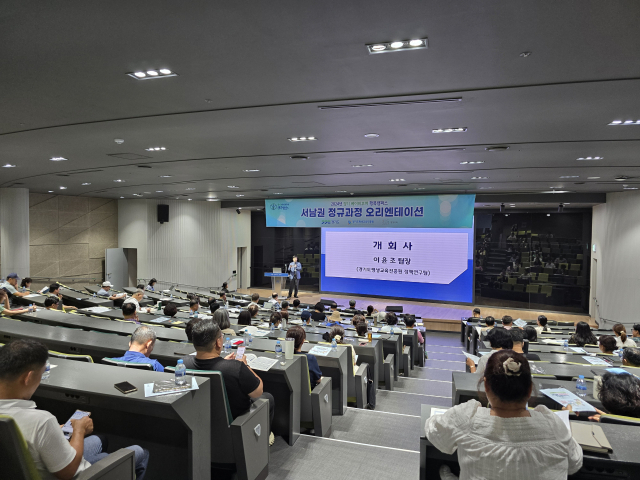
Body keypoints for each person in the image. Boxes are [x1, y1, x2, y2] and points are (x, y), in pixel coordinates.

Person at [0, 339, 150, 480]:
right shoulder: (41, 421)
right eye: (41, 374)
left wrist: (55, 430)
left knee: (100, 440)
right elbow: (68, 472)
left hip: (36, 465)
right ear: (28, 378)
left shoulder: (33, 422)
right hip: (73, 474)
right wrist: (79, 430)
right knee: (140, 452)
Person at [426, 350, 583, 480]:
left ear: (486, 386)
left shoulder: (467, 418)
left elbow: (434, 431)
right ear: (529, 389)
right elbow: (575, 464)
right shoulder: (553, 424)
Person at [182, 320, 275, 445]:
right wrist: (245, 365)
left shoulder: (183, 364)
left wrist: (222, 362)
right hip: (234, 427)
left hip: (199, 425)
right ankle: (262, 440)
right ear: (218, 342)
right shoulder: (235, 368)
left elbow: (210, 367)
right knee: (268, 397)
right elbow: (258, 391)